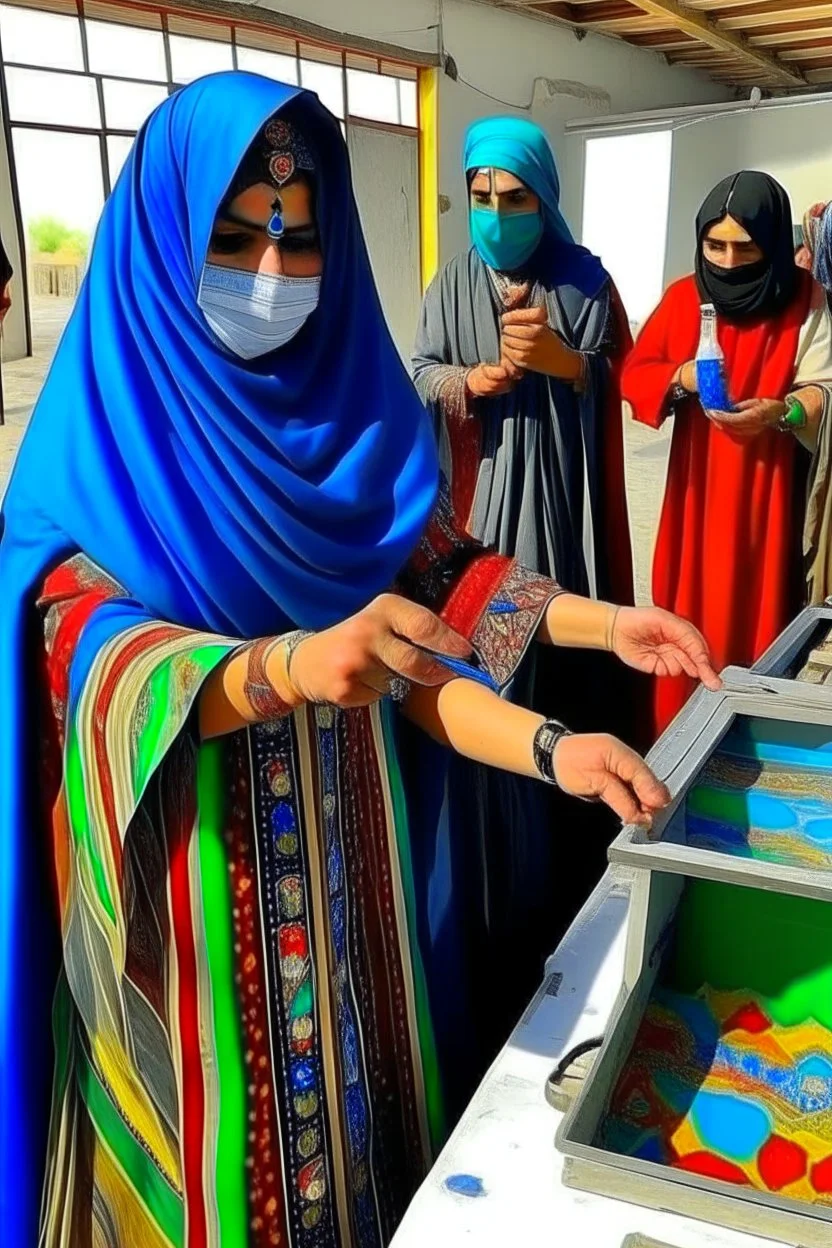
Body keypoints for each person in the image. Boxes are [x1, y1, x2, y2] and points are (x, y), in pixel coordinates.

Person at [0, 73, 718, 1245]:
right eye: (235, 241)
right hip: (187, 933)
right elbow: (86, 650)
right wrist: (278, 669)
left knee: (369, 1166)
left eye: (299, 242)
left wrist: (574, 694)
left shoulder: (348, 418)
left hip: (355, 909)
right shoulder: (103, 441)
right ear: (162, 235)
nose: (273, 278)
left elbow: (439, 594)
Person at [410, 117, 640, 1087]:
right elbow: (417, 374)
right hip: (475, 518)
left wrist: (563, 369)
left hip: (559, 513)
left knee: (563, 664)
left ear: (544, 198)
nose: (498, 217)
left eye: (516, 199)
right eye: (483, 197)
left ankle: (562, 867)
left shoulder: (584, 280)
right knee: (478, 661)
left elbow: (620, 373)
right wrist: (473, 379)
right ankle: (501, 845)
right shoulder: (451, 284)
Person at [623, 171, 832, 738]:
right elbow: (636, 372)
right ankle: (678, 744)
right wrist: (682, 375)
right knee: (686, 623)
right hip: (697, 493)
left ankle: (753, 743)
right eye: (716, 245)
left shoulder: (805, 300)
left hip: (770, 493)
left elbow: (824, 386)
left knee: (762, 620)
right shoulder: (685, 296)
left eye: (747, 246)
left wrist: (783, 414)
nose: (730, 260)